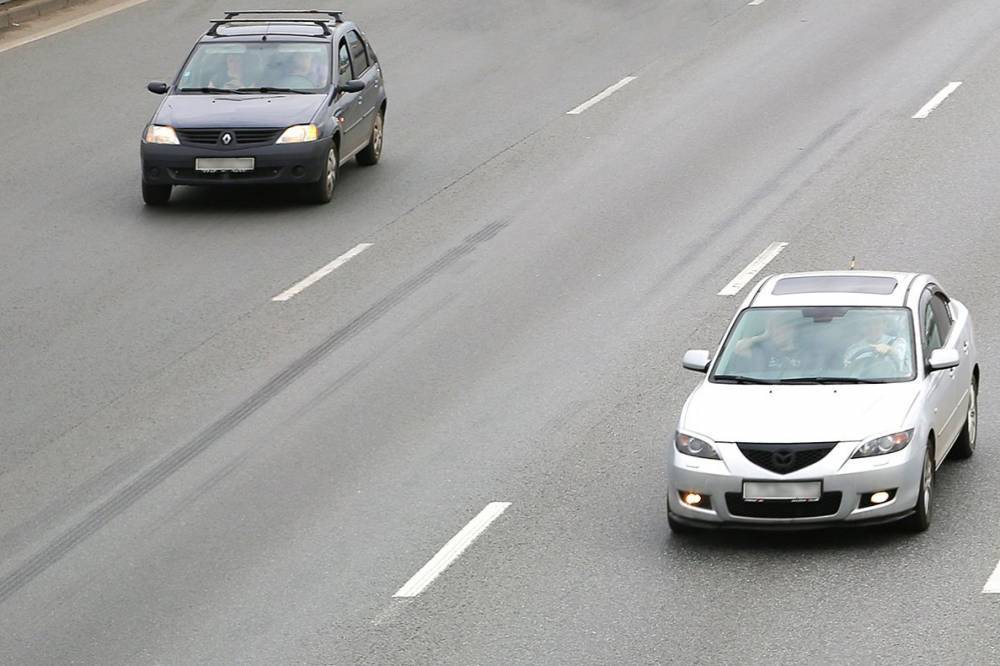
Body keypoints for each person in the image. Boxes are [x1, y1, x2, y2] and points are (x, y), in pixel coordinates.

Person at [731, 312, 805, 372]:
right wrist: (763, 336)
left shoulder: (806, 352)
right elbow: (738, 348)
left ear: (791, 330)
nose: (775, 332)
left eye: (780, 327)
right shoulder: (764, 352)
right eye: (772, 329)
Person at [843, 315, 910, 373]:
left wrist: (890, 350)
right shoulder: (853, 349)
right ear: (862, 328)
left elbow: (904, 363)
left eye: (876, 323)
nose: (872, 327)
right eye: (867, 324)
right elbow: (848, 372)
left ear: (885, 325)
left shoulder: (897, 342)